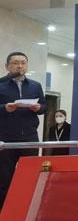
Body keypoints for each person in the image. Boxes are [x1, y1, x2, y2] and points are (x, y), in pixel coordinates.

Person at [0, 52, 46, 210]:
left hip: (29, 137)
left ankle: (27, 209)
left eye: (23, 63)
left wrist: (39, 108)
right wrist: (5, 108)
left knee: (30, 175)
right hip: (5, 139)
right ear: (7, 66)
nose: (20, 66)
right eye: (15, 63)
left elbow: (44, 107)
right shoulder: (1, 85)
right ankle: (5, 212)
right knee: (4, 178)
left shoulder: (35, 86)